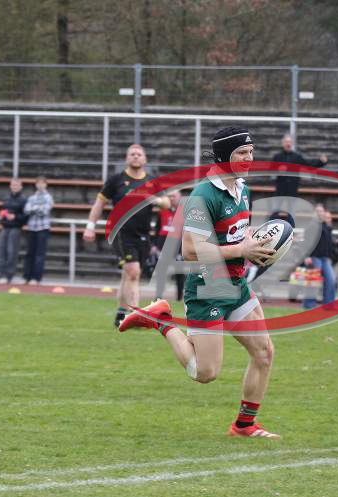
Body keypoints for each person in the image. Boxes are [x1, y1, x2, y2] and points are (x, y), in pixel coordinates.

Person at [120, 126, 282, 439]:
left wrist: (256, 244)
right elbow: (190, 251)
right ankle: (161, 320)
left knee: (264, 353)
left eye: (251, 152)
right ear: (223, 157)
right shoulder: (203, 196)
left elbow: (234, 235)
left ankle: (244, 426)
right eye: (242, 153)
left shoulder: (242, 188)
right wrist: (241, 249)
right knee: (205, 372)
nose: (250, 158)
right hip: (208, 287)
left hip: (236, 284)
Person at [83, 144, 169, 328]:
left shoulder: (152, 181)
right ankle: (136, 316)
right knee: (133, 272)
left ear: (145, 159)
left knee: (129, 275)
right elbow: (99, 204)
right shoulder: (116, 180)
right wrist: (90, 226)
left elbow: (167, 203)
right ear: (126, 158)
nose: (135, 156)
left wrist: (156, 200)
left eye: (139, 154)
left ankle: (120, 315)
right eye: (132, 154)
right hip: (121, 232)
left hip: (143, 235)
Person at [271, 133, 327, 211]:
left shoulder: (297, 157)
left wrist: (320, 162)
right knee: (275, 211)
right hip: (280, 190)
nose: (288, 144)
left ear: (292, 143)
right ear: (283, 143)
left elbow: (308, 166)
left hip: (292, 190)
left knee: (291, 212)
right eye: (286, 142)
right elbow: (271, 170)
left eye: (289, 142)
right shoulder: (277, 157)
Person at [152, 190, 185, 301]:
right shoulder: (162, 211)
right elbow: (157, 228)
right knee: (161, 271)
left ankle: (179, 297)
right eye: (169, 196)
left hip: (178, 245)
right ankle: (158, 296)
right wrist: (154, 245)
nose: (171, 198)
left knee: (179, 272)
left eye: (174, 196)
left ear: (179, 197)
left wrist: (182, 249)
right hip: (163, 245)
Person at [303, 204, 336, 309]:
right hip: (314, 257)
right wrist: (306, 256)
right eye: (317, 211)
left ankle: (328, 305)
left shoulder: (327, 226)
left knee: (331, 280)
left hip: (325, 258)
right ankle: (309, 305)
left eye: (321, 211)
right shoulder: (311, 226)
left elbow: (329, 243)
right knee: (313, 281)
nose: (319, 213)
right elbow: (306, 243)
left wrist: (331, 256)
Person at [0, 178, 28, 283]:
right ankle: (0, 275)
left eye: (17, 185)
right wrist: (2, 215)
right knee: (0, 250)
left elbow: (26, 216)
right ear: (10, 186)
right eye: (13, 185)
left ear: (21, 187)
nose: (15, 187)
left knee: (12, 252)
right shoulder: (6, 198)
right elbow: (3, 211)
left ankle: (9, 276)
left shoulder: (23, 200)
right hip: (5, 227)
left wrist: (15, 217)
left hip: (15, 228)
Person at [23, 176, 53, 285]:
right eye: (38, 183)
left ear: (46, 184)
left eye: (42, 183)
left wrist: (34, 208)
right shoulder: (32, 197)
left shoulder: (48, 197)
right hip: (31, 228)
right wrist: (37, 208)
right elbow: (26, 210)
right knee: (29, 253)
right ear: (35, 184)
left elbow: (45, 211)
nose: (40, 185)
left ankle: (36, 278)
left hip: (43, 228)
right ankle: (27, 277)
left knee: (39, 254)